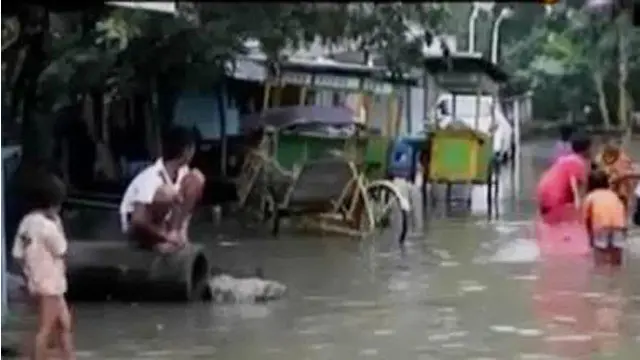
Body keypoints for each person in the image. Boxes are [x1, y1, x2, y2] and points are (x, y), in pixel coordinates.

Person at [12, 172, 75, 360]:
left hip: (37, 282)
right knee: (45, 330)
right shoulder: (48, 226)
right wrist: (58, 225)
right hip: (51, 285)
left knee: (64, 323)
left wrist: (29, 273)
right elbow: (61, 249)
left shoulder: (26, 222)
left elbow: (17, 254)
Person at [119, 125, 205, 253]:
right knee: (167, 193)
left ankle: (176, 233)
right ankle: (160, 240)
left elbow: (184, 203)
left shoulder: (183, 172)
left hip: (164, 224)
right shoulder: (151, 177)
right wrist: (164, 236)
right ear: (187, 150)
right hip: (138, 228)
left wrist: (178, 231)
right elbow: (137, 220)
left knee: (196, 178)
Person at [536, 134, 592, 224]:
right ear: (587, 149)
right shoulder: (578, 163)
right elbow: (575, 186)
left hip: (542, 194)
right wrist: (579, 207)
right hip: (557, 198)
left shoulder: (564, 159)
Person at [583, 170, 627, 266]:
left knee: (600, 261)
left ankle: (602, 278)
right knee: (616, 260)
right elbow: (622, 211)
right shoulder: (614, 195)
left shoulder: (590, 196)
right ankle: (617, 277)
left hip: (601, 227)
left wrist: (590, 238)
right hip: (619, 226)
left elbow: (586, 219)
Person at [594, 142, 640, 210]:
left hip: (619, 196)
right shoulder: (605, 167)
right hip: (609, 197)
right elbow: (611, 179)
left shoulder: (621, 159)